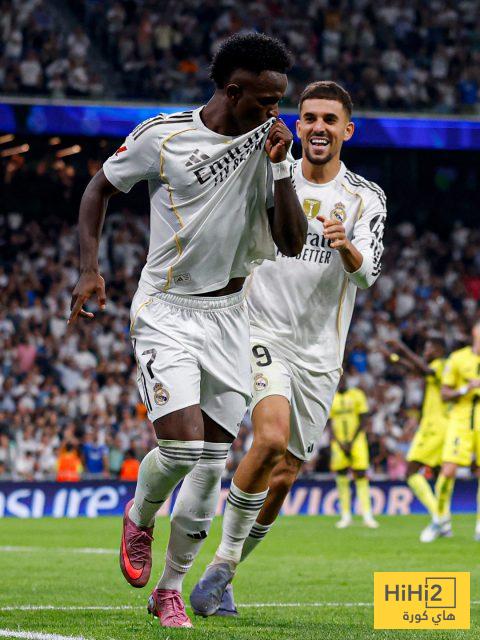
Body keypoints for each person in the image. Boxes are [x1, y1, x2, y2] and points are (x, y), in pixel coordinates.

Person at [68, 33, 306, 629]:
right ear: (234, 90)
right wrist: (89, 269)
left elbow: (292, 241)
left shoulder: (272, 147)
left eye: (281, 99)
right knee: (180, 448)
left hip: (231, 315)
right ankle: (139, 515)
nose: (276, 111)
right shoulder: (164, 137)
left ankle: (169, 589)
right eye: (266, 100)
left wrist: (282, 166)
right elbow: (98, 188)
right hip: (167, 310)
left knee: (211, 465)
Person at [190, 80, 386, 617]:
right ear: (298, 126)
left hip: (321, 353)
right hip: (261, 332)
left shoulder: (365, 197)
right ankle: (217, 563)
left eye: (329, 119)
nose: (319, 127)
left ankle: (226, 568)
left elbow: (368, 275)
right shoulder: (269, 174)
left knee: (284, 477)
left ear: (347, 130)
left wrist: (345, 246)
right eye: (310, 118)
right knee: (270, 438)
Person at [385, 338, 448, 542]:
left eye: (429, 348)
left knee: (411, 470)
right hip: (436, 425)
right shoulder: (435, 367)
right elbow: (417, 369)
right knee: (439, 474)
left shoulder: (442, 365)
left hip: (435, 427)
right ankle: (444, 521)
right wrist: (396, 358)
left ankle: (439, 518)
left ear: (439, 350)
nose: (426, 352)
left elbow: (425, 370)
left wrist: (402, 348)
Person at [432, 321, 480, 541]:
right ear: (474, 334)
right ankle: (440, 521)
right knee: (448, 470)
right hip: (460, 420)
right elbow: (444, 394)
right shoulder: (458, 359)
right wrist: (466, 388)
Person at [328, 377, 377, 529]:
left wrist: (351, 441)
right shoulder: (331, 397)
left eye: (343, 380)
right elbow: (329, 423)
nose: (341, 382)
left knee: (361, 474)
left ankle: (367, 515)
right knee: (341, 476)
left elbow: (363, 419)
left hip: (357, 442)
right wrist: (339, 442)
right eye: (338, 380)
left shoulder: (357, 395)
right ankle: (346, 516)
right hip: (339, 444)